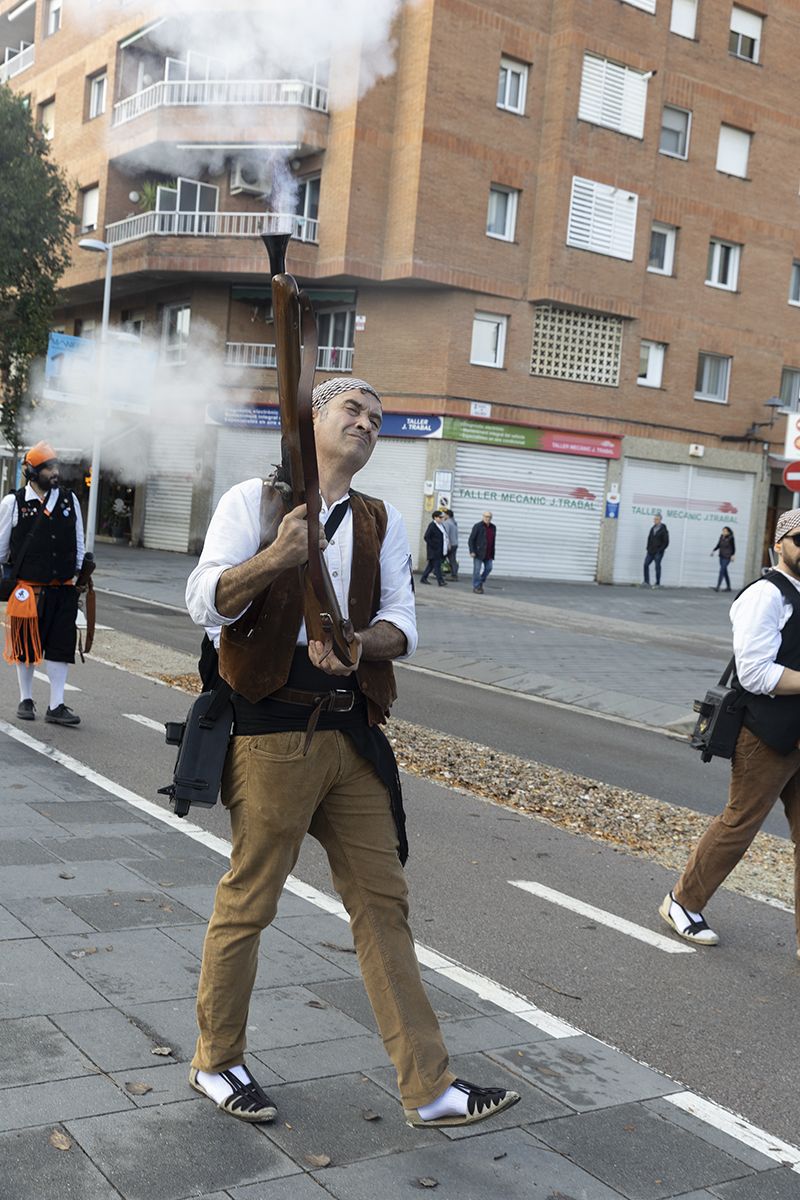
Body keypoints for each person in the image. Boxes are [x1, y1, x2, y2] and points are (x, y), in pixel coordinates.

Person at [185, 376, 519, 1128]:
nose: (368, 423)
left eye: (376, 416)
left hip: (352, 733)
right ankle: (216, 1060)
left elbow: (403, 623)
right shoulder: (253, 502)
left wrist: (358, 644)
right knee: (250, 901)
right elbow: (205, 601)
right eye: (352, 410)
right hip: (270, 731)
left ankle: (428, 1087)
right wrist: (277, 557)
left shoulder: (379, 521)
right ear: (312, 422)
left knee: (382, 904)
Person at [660, 509, 800, 951]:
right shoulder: (765, 595)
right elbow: (755, 673)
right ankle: (682, 902)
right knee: (740, 822)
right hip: (765, 735)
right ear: (779, 544)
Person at [0, 441, 84, 725]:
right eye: (48, 467)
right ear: (32, 472)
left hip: (63, 588)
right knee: (25, 646)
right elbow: (1, 550)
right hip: (28, 590)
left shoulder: (69, 499)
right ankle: (25, 698)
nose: (54, 472)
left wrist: (77, 575)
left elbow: (80, 543)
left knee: (61, 647)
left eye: (55, 465)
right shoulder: (13, 503)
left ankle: (56, 705)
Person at [469, 511, 496, 594]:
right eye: (486, 516)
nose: (487, 518)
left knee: (489, 568)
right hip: (478, 552)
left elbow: (493, 540)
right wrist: (472, 551)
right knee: (477, 570)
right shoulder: (477, 526)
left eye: (489, 517)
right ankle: (476, 587)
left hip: (489, 553)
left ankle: (480, 581)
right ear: (483, 517)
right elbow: (471, 540)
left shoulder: (493, 527)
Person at [420, 510, 448, 586]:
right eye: (440, 517)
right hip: (434, 550)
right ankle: (440, 581)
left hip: (440, 550)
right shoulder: (432, 525)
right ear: (435, 517)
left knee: (431, 566)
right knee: (437, 566)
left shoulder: (441, 526)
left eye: (442, 517)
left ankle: (423, 578)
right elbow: (426, 537)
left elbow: (444, 537)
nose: (442, 519)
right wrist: (434, 545)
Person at [643, 513, 669, 589]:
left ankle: (657, 583)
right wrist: (648, 548)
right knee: (646, 564)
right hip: (650, 551)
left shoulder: (664, 530)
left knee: (657, 566)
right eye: (654, 519)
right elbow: (649, 538)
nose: (655, 520)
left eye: (656, 519)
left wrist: (660, 550)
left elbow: (666, 542)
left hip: (658, 552)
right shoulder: (652, 528)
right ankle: (646, 581)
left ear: (660, 520)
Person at [710, 526, 735, 593]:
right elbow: (718, 545)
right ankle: (728, 587)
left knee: (722, 570)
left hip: (727, 557)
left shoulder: (731, 538)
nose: (723, 532)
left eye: (725, 531)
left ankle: (718, 586)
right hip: (721, 556)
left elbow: (733, 547)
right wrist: (714, 550)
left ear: (728, 532)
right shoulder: (721, 537)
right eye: (723, 531)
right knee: (724, 571)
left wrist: (732, 555)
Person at [442, 508, 459, 581]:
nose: (443, 516)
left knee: (440, 558)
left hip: (450, 544)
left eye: (445, 514)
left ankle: (437, 572)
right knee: (452, 559)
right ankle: (454, 574)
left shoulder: (447, 523)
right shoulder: (454, 522)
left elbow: (446, 534)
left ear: (448, 515)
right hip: (455, 544)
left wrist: (447, 544)